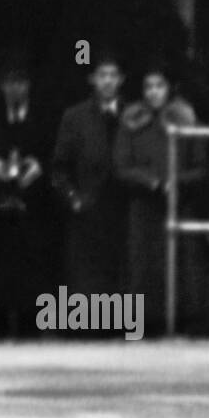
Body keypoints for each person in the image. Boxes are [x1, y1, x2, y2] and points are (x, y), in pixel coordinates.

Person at [0, 51, 56, 339]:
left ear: (29, 85)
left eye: (20, 82)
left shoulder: (45, 118)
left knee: (31, 293)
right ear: (1, 86)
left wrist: (39, 168)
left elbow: (57, 156)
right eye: (9, 82)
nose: (15, 88)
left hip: (32, 218)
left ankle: (31, 335)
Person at [113, 59, 207, 331]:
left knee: (182, 270)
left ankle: (184, 325)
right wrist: (152, 183)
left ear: (170, 89)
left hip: (179, 206)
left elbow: (201, 168)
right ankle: (143, 326)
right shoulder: (130, 122)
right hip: (143, 209)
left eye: (159, 85)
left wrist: (175, 183)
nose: (153, 92)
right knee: (143, 269)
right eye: (148, 86)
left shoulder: (188, 120)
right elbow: (121, 166)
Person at [51, 50, 127, 296]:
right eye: (102, 75)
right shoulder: (75, 117)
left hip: (123, 213)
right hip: (88, 214)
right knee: (88, 283)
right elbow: (59, 167)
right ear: (92, 79)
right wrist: (74, 200)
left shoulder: (133, 115)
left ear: (121, 80)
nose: (107, 81)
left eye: (113, 75)